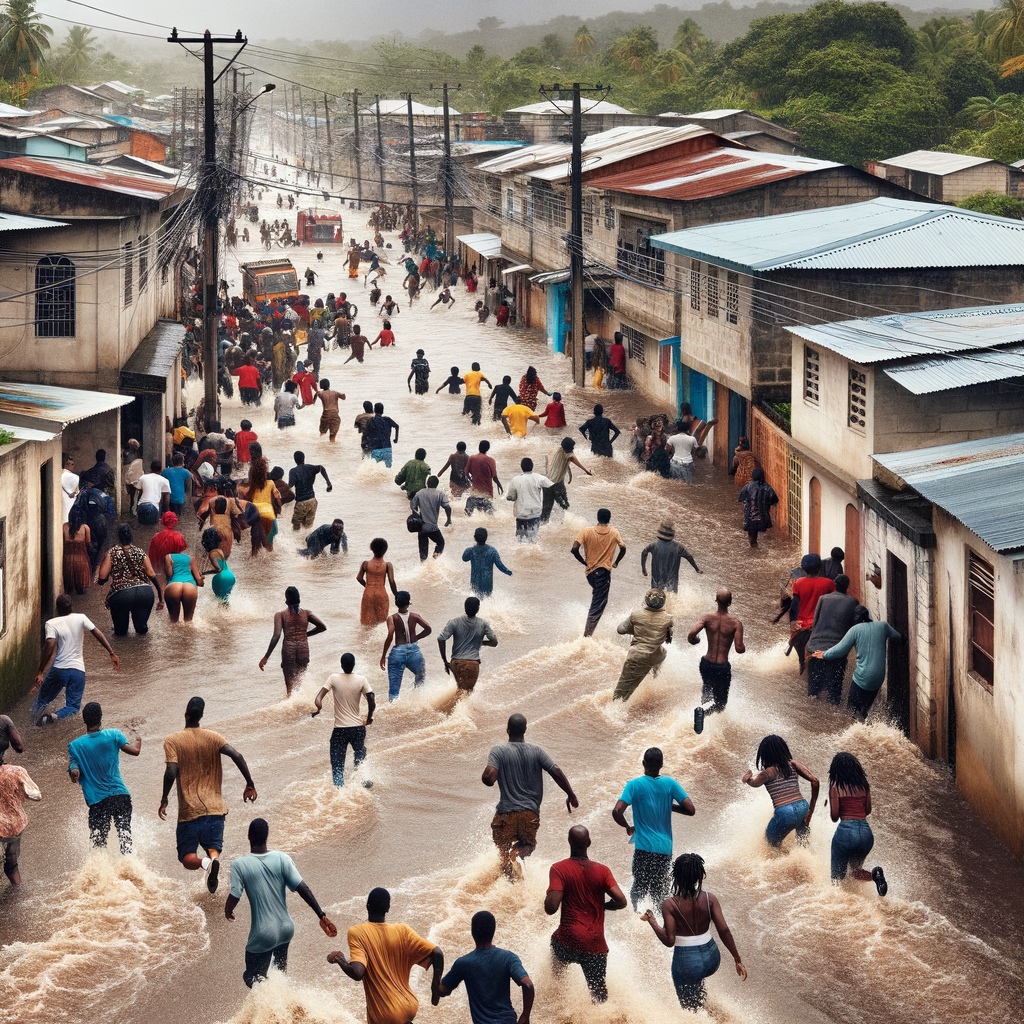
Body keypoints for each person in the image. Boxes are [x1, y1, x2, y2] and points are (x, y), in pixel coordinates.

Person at [160, 696, 258, 893]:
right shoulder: (214, 737)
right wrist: (250, 783)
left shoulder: (172, 741)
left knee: (187, 858)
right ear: (201, 716)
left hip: (189, 811)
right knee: (214, 848)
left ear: (186, 715)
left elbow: (171, 770)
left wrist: (164, 799)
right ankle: (213, 860)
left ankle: (206, 864)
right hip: (215, 808)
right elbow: (237, 756)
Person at [226, 817, 337, 987]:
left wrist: (228, 910)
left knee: (252, 976)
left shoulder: (239, 865)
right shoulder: (282, 858)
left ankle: (270, 1009)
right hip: (286, 928)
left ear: (248, 837)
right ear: (267, 837)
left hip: (263, 933)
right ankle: (284, 1004)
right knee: (279, 976)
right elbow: (303, 889)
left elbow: (235, 894)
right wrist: (321, 915)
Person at [640, 853, 747, 1011]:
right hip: (712, 959)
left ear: (675, 876)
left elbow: (669, 941)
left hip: (688, 964)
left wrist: (652, 921)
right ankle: (703, 1006)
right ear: (699, 876)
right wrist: (737, 959)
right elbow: (724, 930)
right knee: (696, 985)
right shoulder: (710, 898)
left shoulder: (669, 904)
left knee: (690, 1011)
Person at [483, 713, 578, 881]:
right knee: (528, 845)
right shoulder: (537, 751)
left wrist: (486, 775)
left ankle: (509, 882)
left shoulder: (498, 751)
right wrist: (570, 794)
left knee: (502, 853)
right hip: (529, 814)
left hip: (505, 814)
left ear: (507, 730)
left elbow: (490, 778)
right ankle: (517, 855)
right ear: (525, 730)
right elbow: (555, 771)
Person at [329, 888, 444, 1023]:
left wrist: (339, 958)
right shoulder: (403, 930)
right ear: (388, 908)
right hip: (410, 1004)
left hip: (386, 1014)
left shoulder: (357, 932)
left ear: (367, 906)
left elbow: (357, 973)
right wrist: (435, 987)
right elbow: (437, 953)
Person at [545, 825, 626, 1003]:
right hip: (595, 945)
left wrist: (549, 895)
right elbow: (621, 901)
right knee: (599, 994)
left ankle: (557, 998)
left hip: (567, 940)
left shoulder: (559, 869)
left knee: (556, 965)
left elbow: (551, 908)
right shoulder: (602, 871)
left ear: (569, 842)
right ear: (589, 843)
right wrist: (604, 906)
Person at [613, 748, 694, 910]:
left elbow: (617, 811)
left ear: (643, 763)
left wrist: (627, 826)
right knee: (660, 892)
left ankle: (637, 918)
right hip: (664, 849)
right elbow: (690, 809)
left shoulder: (634, 785)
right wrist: (669, 806)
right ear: (662, 765)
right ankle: (662, 924)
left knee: (639, 888)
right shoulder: (670, 784)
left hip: (643, 848)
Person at [31, 593, 119, 726]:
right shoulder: (81, 617)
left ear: (57, 609)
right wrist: (111, 652)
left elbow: (49, 645)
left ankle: (32, 727)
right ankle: (51, 717)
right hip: (78, 671)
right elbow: (97, 633)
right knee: (73, 707)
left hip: (59, 670)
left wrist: (40, 671)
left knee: (42, 700)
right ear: (72, 607)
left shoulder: (51, 623)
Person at [68, 701, 140, 854]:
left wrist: (74, 773)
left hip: (98, 802)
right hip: (121, 796)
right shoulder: (114, 734)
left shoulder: (75, 745)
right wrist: (139, 739)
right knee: (125, 839)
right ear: (101, 718)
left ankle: (102, 875)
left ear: (84, 720)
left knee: (98, 846)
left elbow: (74, 769)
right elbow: (135, 751)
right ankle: (130, 869)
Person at [437, 911, 534, 1024]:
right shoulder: (509, 958)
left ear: (472, 933)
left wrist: (436, 972)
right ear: (493, 931)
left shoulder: (463, 963)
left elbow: (442, 990)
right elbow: (528, 985)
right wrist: (525, 1015)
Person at [812, 619, 903, 721]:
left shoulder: (855, 630)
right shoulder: (883, 626)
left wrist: (824, 654)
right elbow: (898, 637)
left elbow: (840, 650)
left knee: (851, 713)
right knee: (863, 712)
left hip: (862, 678)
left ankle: (855, 733)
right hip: (878, 679)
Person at [742, 735, 819, 848]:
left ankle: (779, 864)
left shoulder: (767, 773)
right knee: (803, 845)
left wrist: (747, 779)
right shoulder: (793, 764)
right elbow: (815, 781)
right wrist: (810, 811)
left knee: (770, 844)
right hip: (803, 808)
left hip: (785, 813)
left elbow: (755, 783)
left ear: (765, 754)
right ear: (784, 750)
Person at [827, 752, 887, 894]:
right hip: (866, 834)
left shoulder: (835, 786)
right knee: (855, 872)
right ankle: (875, 876)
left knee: (837, 878)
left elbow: (835, 816)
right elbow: (868, 810)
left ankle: (838, 905)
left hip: (845, 833)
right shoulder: (864, 786)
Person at [314, 654, 376, 786]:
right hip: (358, 728)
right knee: (360, 757)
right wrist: (369, 717)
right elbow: (371, 700)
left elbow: (318, 698)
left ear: (341, 665)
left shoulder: (333, 678)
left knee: (337, 765)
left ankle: (339, 790)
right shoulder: (361, 679)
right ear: (354, 665)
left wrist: (318, 708)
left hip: (340, 730)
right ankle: (363, 782)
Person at [688, 589, 745, 728]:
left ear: (716, 601)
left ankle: (700, 715)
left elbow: (691, 634)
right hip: (722, 667)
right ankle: (705, 714)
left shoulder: (706, 617)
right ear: (730, 603)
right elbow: (739, 649)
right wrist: (743, 646)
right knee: (720, 704)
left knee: (707, 691)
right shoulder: (736, 623)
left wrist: (695, 640)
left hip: (706, 664)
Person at [97, 524, 164, 636]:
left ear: (118, 536)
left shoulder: (112, 552)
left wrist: (101, 581)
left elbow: (102, 577)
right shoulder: (140, 552)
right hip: (145, 592)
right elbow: (152, 574)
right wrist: (160, 598)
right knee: (142, 631)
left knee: (120, 633)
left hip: (122, 594)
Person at [259, 587, 328, 696]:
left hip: (289, 650)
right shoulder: (307, 613)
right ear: (299, 599)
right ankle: (300, 708)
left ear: (286, 600)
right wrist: (306, 634)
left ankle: (290, 707)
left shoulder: (280, 615)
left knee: (290, 688)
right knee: (300, 683)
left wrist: (266, 657)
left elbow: (276, 636)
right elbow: (323, 627)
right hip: (303, 649)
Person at [611, 589, 674, 702]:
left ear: (646, 600)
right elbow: (669, 637)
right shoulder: (669, 618)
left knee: (619, 696)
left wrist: (635, 628)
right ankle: (653, 676)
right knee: (663, 652)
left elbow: (620, 630)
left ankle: (612, 712)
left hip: (637, 655)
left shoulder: (636, 614)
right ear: (663, 602)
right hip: (655, 655)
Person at [572, 509, 626, 636]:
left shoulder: (586, 531)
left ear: (597, 518)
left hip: (590, 573)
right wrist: (616, 562)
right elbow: (623, 548)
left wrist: (584, 562)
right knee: (598, 604)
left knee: (597, 598)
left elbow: (574, 549)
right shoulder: (614, 533)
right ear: (609, 519)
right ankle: (586, 637)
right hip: (603, 573)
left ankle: (588, 632)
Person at [806, 575, 859, 703]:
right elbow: (853, 626)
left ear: (835, 585)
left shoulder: (823, 598)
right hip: (837, 649)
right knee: (835, 689)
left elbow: (815, 623)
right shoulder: (853, 602)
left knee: (813, 687)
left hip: (815, 645)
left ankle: (813, 704)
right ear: (847, 586)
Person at [438, 597, 497, 694]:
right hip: (472, 664)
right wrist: (481, 642)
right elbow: (494, 642)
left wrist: (445, 661)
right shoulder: (483, 623)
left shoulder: (454, 621)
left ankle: (449, 708)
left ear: (464, 607)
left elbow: (441, 639)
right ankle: (457, 709)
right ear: (478, 609)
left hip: (456, 662)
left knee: (460, 689)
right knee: (467, 692)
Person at [789, 554, 836, 674]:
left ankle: (801, 665)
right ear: (820, 569)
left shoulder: (798, 583)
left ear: (803, 569)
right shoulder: (829, 583)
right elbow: (833, 604)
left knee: (803, 658)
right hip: (820, 626)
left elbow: (794, 606)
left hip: (800, 626)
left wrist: (792, 623)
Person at [381, 592, 432, 701]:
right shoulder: (415, 616)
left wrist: (383, 656)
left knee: (394, 689)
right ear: (408, 603)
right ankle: (416, 699)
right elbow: (428, 629)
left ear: (396, 603)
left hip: (397, 653)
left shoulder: (392, 618)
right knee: (420, 675)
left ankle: (394, 706)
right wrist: (417, 637)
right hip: (414, 652)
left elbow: (390, 635)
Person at [0, 761, 41, 885]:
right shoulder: (16, 771)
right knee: (11, 861)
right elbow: (36, 795)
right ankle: (18, 892)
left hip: (8, 826)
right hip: (13, 825)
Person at [541, 437, 592, 524]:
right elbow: (578, 464)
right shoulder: (570, 455)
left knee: (546, 508)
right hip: (557, 484)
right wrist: (587, 471)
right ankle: (562, 524)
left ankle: (543, 524)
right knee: (564, 505)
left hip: (547, 483)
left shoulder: (559, 450)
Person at [640, 522, 701, 592]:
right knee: (672, 594)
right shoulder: (679, 547)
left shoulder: (653, 545)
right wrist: (697, 569)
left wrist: (644, 570)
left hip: (657, 578)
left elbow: (644, 552)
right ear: (672, 533)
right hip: (672, 579)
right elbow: (689, 556)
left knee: (655, 595)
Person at [358, 538, 398, 626]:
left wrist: (368, 586)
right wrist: (396, 595)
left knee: (367, 623)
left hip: (368, 594)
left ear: (372, 549)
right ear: (385, 550)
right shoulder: (388, 565)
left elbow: (359, 578)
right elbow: (392, 581)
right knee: (381, 622)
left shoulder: (365, 564)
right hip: (381, 594)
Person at [410, 476, 451, 561]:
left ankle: (423, 566)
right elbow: (447, 507)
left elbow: (413, 508)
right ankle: (434, 561)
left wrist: (417, 518)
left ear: (427, 484)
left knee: (423, 549)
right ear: (437, 485)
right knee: (440, 542)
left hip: (421, 527)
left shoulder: (420, 493)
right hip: (433, 527)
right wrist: (448, 519)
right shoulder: (440, 494)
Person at [462, 528, 512, 597]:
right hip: (487, 584)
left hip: (474, 583)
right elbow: (500, 566)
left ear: (474, 538)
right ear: (486, 537)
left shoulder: (470, 551)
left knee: (475, 601)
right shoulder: (492, 551)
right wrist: (510, 573)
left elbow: (464, 558)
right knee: (487, 599)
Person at [289, 451, 332, 531]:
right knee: (307, 527)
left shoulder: (293, 471)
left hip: (301, 502)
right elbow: (321, 468)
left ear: (295, 459)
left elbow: (290, 485)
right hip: (312, 501)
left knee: (296, 526)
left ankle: (295, 542)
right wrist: (328, 484)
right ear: (304, 458)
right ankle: (305, 541)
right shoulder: (311, 468)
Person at [738, 468, 779, 546]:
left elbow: (740, 498)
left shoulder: (748, 486)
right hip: (763, 517)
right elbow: (774, 499)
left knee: (752, 536)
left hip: (750, 516)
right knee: (760, 532)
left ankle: (753, 547)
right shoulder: (767, 487)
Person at [164, 547, 204, 623]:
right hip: (190, 587)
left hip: (174, 585)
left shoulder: (168, 556)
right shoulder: (191, 558)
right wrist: (202, 579)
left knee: (173, 622)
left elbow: (170, 575)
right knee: (188, 621)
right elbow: (199, 581)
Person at [465, 439, 503, 516]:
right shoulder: (491, 461)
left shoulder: (471, 458)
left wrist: (471, 479)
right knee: (490, 516)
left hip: (475, 494)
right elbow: (494, 477)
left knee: (468, 515)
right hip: (487, 494)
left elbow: (466, 472)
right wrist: (499, 485)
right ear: (488, 449)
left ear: (478, 448)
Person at [202, 527, 235, 603]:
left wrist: (203, 573)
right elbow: (222, 568)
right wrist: (204, 573)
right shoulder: (219, 551)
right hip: (230, 576)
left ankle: (222, 614)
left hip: (222, 578)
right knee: (225, 599)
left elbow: (218, 569)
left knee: (219, 600)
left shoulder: (212, 553)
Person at [63, 513, 92, 595]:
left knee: (68, 588)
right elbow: (88, 543)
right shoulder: (85, 528)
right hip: (81, 561)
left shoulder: (64, 527)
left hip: (67, 560)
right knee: (81, 591)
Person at [365, 403, 400, 467]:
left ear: (374, 410)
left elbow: (366, 434)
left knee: (375, 469)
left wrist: (367, 446)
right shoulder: (387, 419)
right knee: (388, 469)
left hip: (375, 449)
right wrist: (396, 439)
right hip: (387, 448)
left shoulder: (371, 421)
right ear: (383, 411)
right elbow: (397, 426)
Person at [136, 460, 171, 525]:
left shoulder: (143, 478)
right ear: (160, 470)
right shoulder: (164, 480)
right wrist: (167, 510)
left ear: (150, 469)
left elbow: (140, 492)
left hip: (142, 506)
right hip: (153, 507)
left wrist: (137, 507)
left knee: (141, 527)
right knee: (152, 529)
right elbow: (167, 496)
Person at [61, 452, 79, 524]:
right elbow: (77, 494)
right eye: (72, 464)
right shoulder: (73, 477)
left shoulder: (57, 473)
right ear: (66, 466)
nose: (73, 466)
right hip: (70, 504)